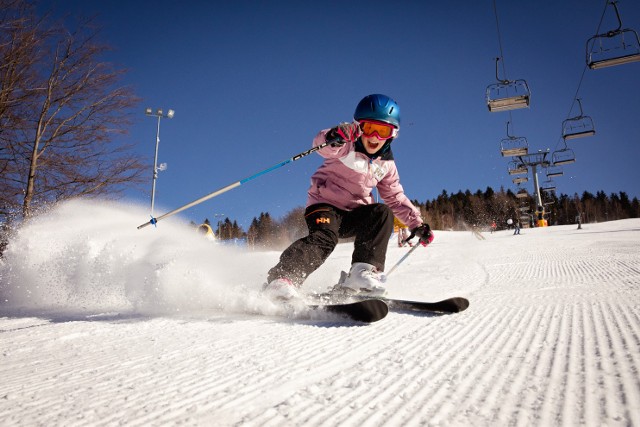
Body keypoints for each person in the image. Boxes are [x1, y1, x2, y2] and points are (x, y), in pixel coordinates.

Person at [264, 94, 433, 300]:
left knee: (382, 213)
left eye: (383, 131)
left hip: (354, 214)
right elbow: (323, 145)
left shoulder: (387, 165)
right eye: (369, 128)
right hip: (324, 206)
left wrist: (416, 224)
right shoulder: (345, 145)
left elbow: (395, 196)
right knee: (325, 239)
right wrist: (335, 135)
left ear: (393, 134)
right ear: (358, 127)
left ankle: (362, 273)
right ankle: (283, 279)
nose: (374, 138)